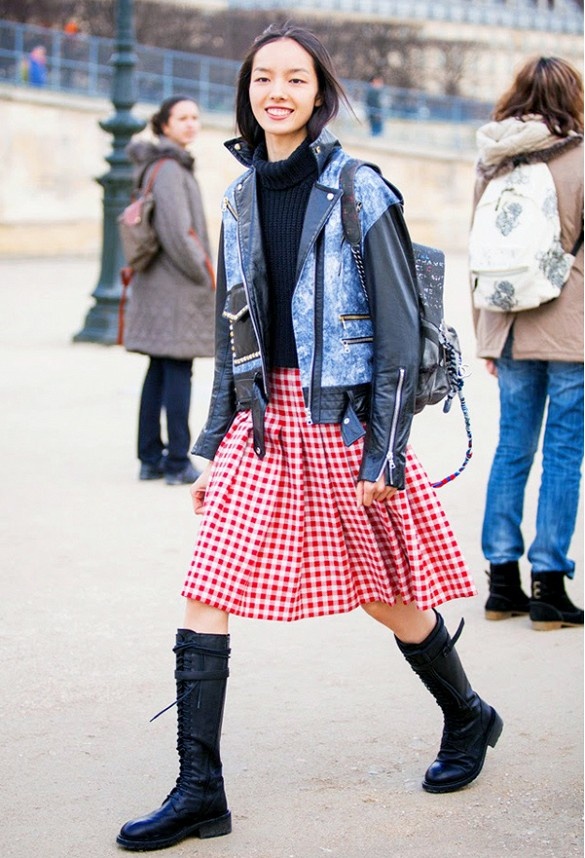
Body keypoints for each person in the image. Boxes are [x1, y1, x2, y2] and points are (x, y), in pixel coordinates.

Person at [116, 25, 502, 851]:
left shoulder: (360, 189)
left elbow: (399, 332)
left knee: (378, 590)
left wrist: (383, 451)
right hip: (264, 422)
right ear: (246, 92)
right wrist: (216, 445)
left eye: (295, 78)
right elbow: (233, 332)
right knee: (207, 583)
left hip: (338, 422)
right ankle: (199, 789)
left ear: (319, 93)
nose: (277, 92)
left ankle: (468, 715)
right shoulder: (237, 196)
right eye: (263, 78)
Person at [471, 57, 584, 630]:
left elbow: (477, 250)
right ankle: (548, 586)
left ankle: (501, 584)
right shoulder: (580, 157)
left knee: (512, 448)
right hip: (571, 329)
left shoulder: (494, 157)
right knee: (564, 452)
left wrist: (486, 336)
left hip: (508, 323)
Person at [124, 96, 215, 485]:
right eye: (182, 118)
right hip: (176, 287)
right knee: (178, 368)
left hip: (158, 283)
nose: (191, 124)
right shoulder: (171, 169)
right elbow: (178, 233)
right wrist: (205, 273)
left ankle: (150, 457)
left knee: (160, 368)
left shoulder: (157, 165)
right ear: (164, 125)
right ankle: (177, 461)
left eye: (195, 117)